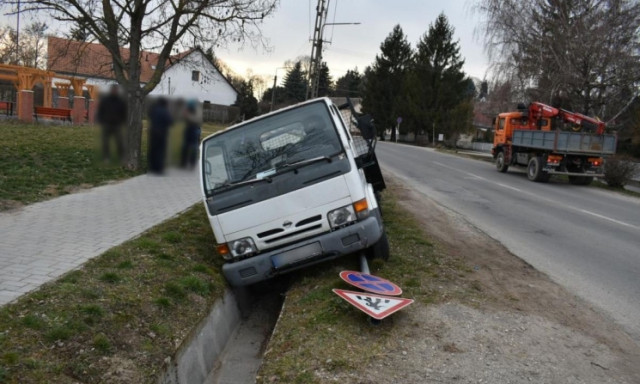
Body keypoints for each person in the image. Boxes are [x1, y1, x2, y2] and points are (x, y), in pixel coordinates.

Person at [96, 84, 127, 162]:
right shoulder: (105, 100)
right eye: (113, 90)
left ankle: (121, 157)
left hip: (117, 124)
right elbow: (100, 111)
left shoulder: (120, 101)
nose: (114, 91)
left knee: (119, 142)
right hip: (107, 124)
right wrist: (101, 120)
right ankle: (106, 157)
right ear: (111, 90)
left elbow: (124, 113)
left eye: (115, 90)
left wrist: (123, 121)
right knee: (106, 142)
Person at [148, 97, 173, 174]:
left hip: (153, 132)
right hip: (161, 133)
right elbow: (170, 122)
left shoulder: (154, 109)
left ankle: (152, 167)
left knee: (153, 150)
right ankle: (159, 169)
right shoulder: (165, 111)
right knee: (160, 151)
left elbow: (150, 116)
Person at [180, 100, 202, 169]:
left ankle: (189, 164)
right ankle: (185, 163)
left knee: (191, 147)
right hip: (191, 130)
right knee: (187, 147)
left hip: (193, 130)